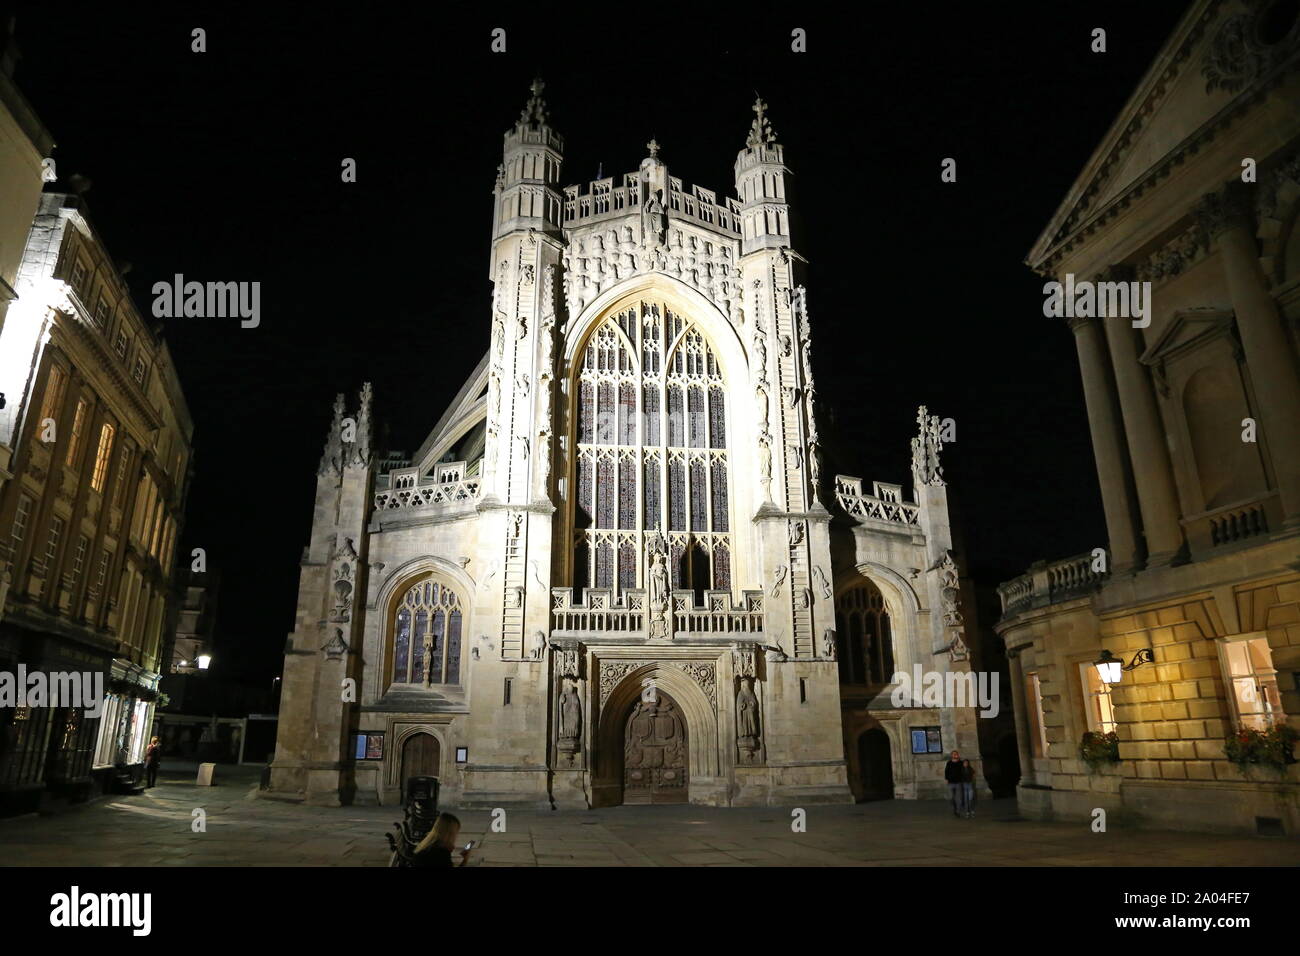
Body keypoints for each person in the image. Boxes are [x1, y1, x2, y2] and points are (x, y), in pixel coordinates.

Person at [944, 750, 966, 817]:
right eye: (953, 754)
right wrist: (947, 779)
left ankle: (958, 811)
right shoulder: (949, 763)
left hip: (958, 782)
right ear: (951, 756)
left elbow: (964, 770)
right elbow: (946, 771)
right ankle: (955, 807)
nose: (955, 755)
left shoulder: (961, 763)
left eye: (956, 754)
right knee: (951, 797)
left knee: (958, 798)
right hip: (951, 782)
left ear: (958, 755)